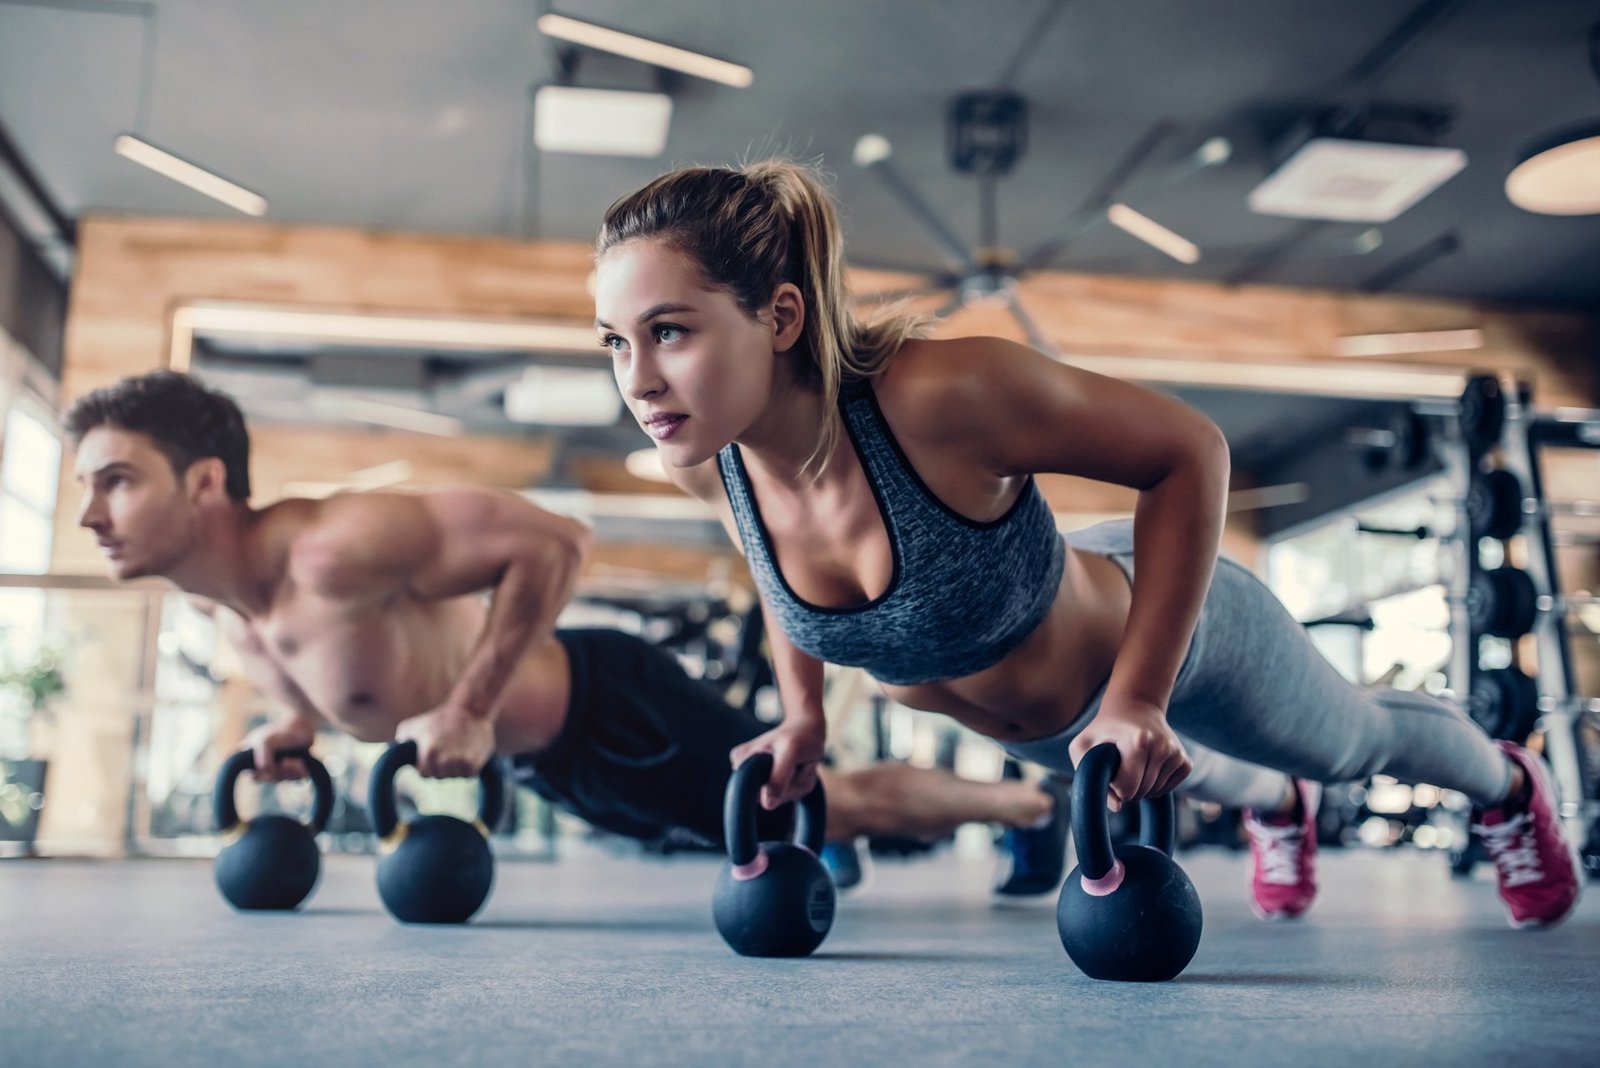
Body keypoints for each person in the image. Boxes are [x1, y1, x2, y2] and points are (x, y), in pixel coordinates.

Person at [590, 158, 1581, 927]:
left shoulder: (939, 398)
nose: (637, 379)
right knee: (1200, 767)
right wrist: (802, 716)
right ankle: (1272, 807)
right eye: (614, 341)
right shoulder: (708, 461)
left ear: (780, 317)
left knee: (1351, 747)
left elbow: (1188, 451)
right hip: (1074, 730)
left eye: (668, 330)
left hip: (1165, 629)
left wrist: (1140, 696)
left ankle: (1504, 785)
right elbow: (780, 581)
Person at [64, 370, 1067, 887]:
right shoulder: (221, 603)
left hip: (610, 708)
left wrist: (467, 705)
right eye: (82, 487)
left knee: (830, 806)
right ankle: (991, 812)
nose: (89, 515)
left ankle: (1028, 811)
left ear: (203, 484)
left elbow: (556, 539)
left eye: (116, 480)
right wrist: (290, 723)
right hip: (561, 763)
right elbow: (325, 666)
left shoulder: (335, 544)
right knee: (779, 825)